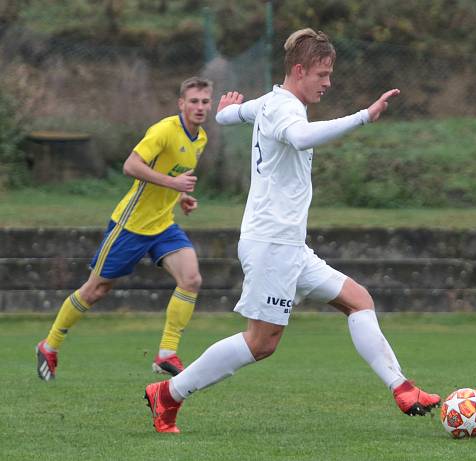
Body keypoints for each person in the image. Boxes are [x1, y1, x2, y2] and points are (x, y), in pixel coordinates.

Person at [143, 28, 440, 433]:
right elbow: (299, 138)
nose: (328, 82)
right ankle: (169, 394)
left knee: (359, 300)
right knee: (260, 343)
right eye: (322, 74)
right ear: (299, 71)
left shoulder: (269, 100)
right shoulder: (286, 110)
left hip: (288, 245)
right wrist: (363, 117)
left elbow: (232, 115)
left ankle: (402, 387)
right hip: (272, 244)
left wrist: (227, 109)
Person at [36, 77, 213, 381]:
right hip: (130, 225)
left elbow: (173, 173)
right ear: (181, 103)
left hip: (163, 225)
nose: (199, 107)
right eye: (193, 101)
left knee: (191, 278)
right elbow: (131, 166)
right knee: (95, 290)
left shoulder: (200, 139)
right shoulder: (163, 131)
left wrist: (181, 196)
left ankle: (166, 354)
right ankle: (50, 344)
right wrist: (173, 184)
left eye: (205, 101)